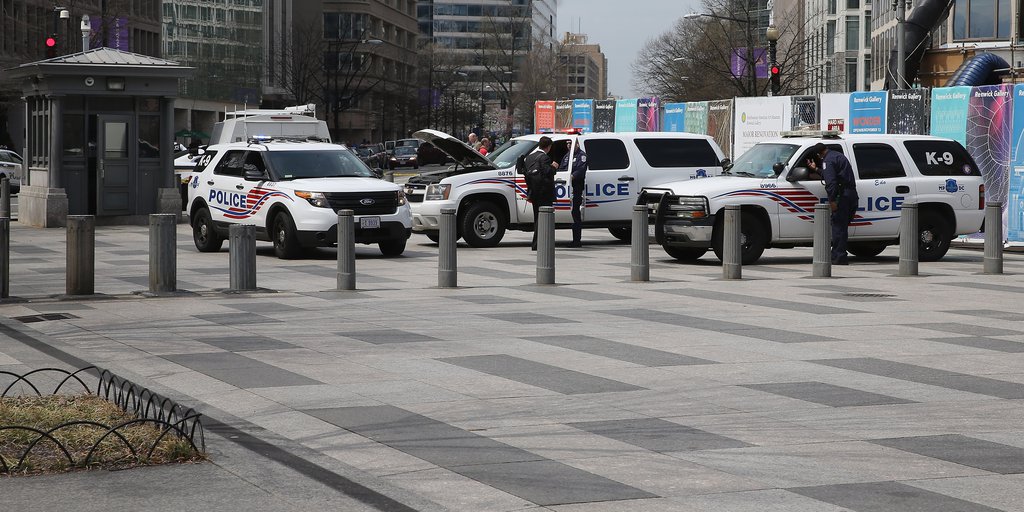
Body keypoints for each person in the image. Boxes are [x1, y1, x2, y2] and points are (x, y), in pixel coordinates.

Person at [810, 143, 858, 265]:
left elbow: (831, 182)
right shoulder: (837, 156)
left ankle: (839, 257)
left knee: (838, 228)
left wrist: (832, 201)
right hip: (851, 194)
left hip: (841, 197)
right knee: (842, 228)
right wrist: (816, 169)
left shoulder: (828, 161)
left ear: (819, 154)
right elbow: (832, 174)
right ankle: (838, 253)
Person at [523, 136, 558, 251]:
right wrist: (554, 167)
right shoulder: (545, 158)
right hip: (544, 193)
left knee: (537, 218)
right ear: (548, 147)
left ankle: (536, 243)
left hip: (533, 191)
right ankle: (539, 243)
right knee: (544, 219)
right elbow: (548, 173)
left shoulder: (529, 157)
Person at [560, 141, 588, 247]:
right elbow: (563, 168)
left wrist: (571, 176)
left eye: (571, 143)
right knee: (572, 214)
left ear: (577, 144)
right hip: (569, 189)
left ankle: (577, 241)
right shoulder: (567, 156)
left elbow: (581, 170)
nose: (568, 145)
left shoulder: (582, 156)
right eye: (567, 143)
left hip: (577, 189)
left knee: (576, 214)